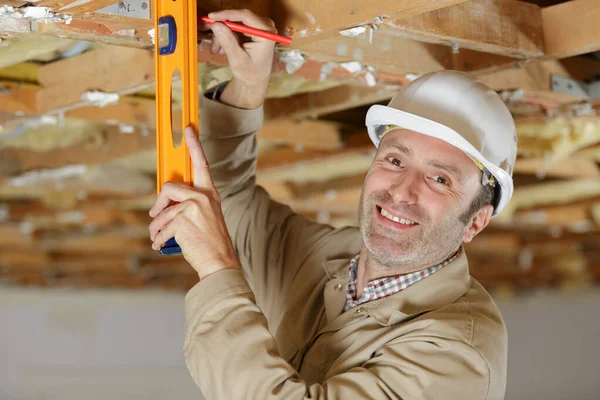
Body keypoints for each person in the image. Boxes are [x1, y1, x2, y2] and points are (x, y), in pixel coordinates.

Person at [148, 8, 516, 400]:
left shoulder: (457, 353)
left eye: (439, 179)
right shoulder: (329, 257)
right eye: (395, 160)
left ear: (476, 221)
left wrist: (217, 266)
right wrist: (248, 87)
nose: (402, 191)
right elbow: (226, 198)